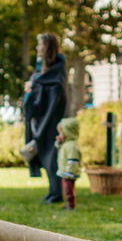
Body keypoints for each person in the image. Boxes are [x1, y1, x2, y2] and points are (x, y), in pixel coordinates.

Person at [23, 32, 68, 204]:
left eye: (40, 44)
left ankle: (56, 194)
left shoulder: (57, 68)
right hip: (38, 119)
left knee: (51, 157)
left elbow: (55, 91)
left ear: (47, 47)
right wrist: (32, 87)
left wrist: (34, 86)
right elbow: (39, 84)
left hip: (50, 121)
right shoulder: (41, 67)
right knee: (44, 156)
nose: (37, 48)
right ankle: (52, 191)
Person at [55, 116, 81, 210]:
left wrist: (69, 172)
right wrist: (59, 142)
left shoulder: (71, 146)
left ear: (68, 132)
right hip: (66, 172)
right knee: (66, 189)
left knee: (69, 190)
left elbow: (73, 160)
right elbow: (60, 148)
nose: (59, 134)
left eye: (61, 132)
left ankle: (71, 206)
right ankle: (69, 204)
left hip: (69, 174)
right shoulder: (67, 144)